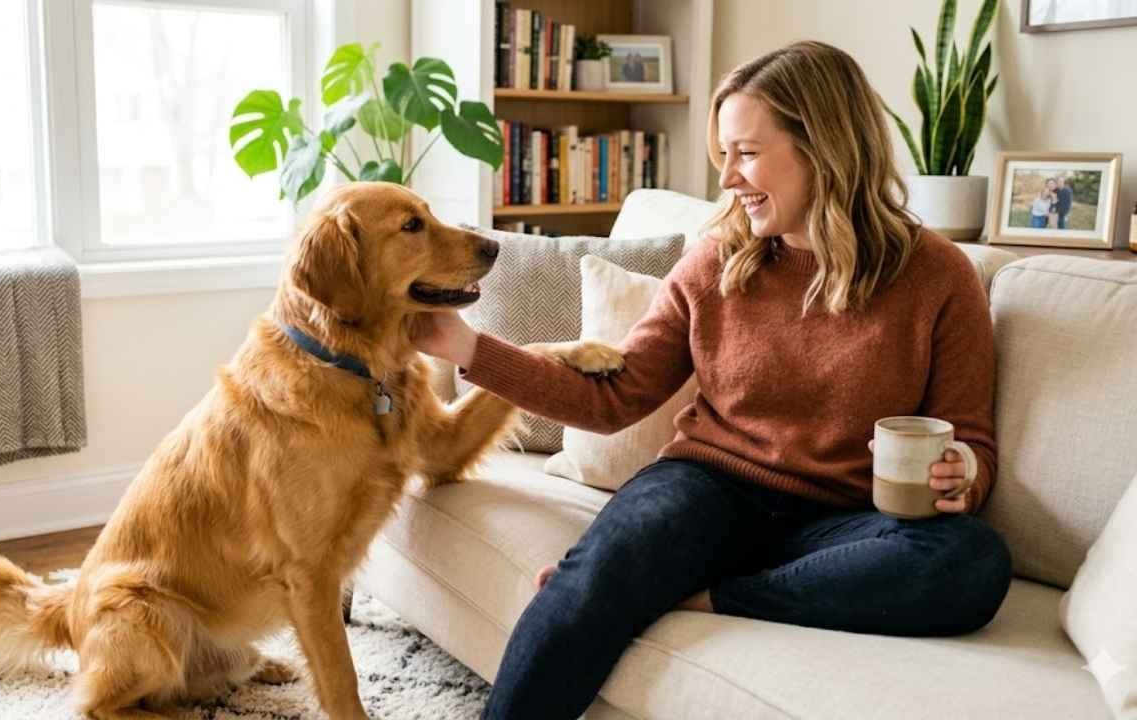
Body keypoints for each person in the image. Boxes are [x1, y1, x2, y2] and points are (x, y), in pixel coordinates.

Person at [411, 40, 1012, 720]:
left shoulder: (939, 277)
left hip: (851, 523)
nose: (728, 178)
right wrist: (468, 346)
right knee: (595, 576)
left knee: (972, 561)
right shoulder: (717, 259)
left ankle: (713, 593)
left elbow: (971, 444)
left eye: (746, 153)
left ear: (824, 148)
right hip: (706, 488)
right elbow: (614, 398)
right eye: (723, 155)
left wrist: (961, 472)